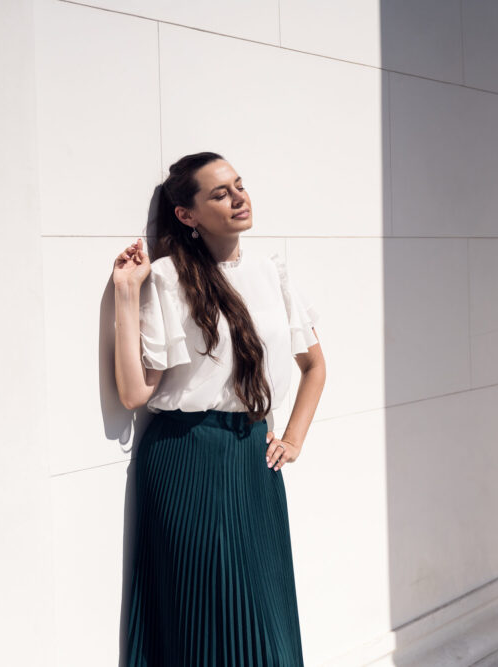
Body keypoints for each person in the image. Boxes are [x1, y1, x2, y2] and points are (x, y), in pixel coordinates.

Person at [111, 151, 326, 666]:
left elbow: (314, 366)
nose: (238, 198)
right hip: (186, 460)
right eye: (219, 193)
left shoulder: (271, 272)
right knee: (200, 620)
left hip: (253, 458)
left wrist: (292, 439)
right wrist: (124, 294)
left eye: (239, 185)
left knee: (263, 616)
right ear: (187, 215)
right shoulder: (165, 278)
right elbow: (135, 393)